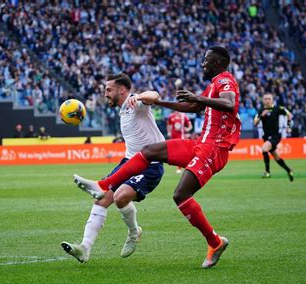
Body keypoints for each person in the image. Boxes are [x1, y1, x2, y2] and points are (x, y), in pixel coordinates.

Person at [73, 46, 239, 269]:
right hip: (201, 144)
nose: (202, 64)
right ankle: (103, 184)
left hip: (215, 148)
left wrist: (194, 97)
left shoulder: (225, 80)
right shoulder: (213, 85)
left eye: (206, 61)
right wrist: (161, 104)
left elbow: (229, 104)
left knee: (180, 195)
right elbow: (193, 107)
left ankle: (215, 242)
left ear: (218, 63)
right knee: (150, 151)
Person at [62, 73, 165, 263]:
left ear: (122, 90)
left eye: (109, 90)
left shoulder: (136, 104)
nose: (106, 94)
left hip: (151, 165)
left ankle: (134, 233)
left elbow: (155, 95)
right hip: (128, 163)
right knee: (101, 200)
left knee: (120, 197)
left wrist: (139, 96)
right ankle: (84, 249)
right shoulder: (122, 110)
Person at [253, 93, 294, 181]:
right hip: (266, 137)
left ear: (272, 100)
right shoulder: (261, 110)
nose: (267, 100)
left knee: (264, 149)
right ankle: (288, 170)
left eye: (269, 99)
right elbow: (255, 123)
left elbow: (289, 115)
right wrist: (261, 116)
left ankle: (267, 172)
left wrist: (288, 126)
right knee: (276, 157)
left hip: (275, 136)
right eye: (265, 99)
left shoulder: (278, 108)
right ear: (263, 100)